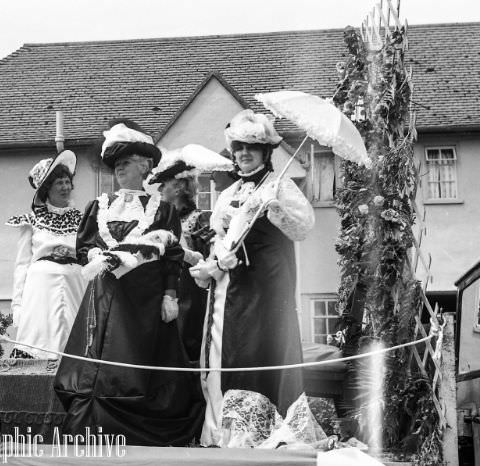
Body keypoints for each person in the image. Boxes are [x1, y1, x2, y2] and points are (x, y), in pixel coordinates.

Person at [53, 120, 205, 446]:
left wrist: (170, 295)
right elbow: (84, 246)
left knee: (140, 364)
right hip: (106, 296)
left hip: (146, 303)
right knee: (96, 362)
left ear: (145, 165)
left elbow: (172, 256)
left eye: (127, 160)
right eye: (116, 162)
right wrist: (97, 255)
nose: (120, 167)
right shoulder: (99, 206)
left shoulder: (162, 209)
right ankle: (93, 426)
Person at [190, 109, 315, 446]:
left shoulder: (279, 184)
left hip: (268, 283)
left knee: (265, 346)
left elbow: (303, 228)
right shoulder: (229, 194)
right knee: (229, 347)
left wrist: (276, 208)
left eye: (251, 148)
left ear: (265, 152)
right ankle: (226, 429)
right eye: (238, 148)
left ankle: (264, 429)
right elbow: (220, 234)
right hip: (232, 286)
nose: (244, 154)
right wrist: (218, 256)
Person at [148, 145, 231, 363]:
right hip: (163, 288)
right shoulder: (157, 221)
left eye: (163, 185)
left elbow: (208, 257)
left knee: (186, 344)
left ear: (177, 188)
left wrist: (182, 251)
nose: (159, 191)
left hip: (188, 294)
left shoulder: (199, 219)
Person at [7, 150, 86, 359]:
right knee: (39, 343)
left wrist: (74, 252)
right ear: (46, 188)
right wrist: (17, 304)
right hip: (40, 292)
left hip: (75, 287)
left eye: (67, 182)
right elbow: (22, 264)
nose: (65, 187)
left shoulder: (84, 220)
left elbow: (91, 254)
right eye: (59, 182)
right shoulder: (32, 220)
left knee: (76, 343)